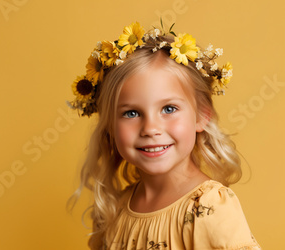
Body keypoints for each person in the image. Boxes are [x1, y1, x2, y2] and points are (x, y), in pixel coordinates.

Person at [67, 21, 260, 250]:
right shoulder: (116, 209)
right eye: (131, 113)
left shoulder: (209, 207)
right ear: (109, 125)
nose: (150, 128)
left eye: (169, 109)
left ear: (201, 115)